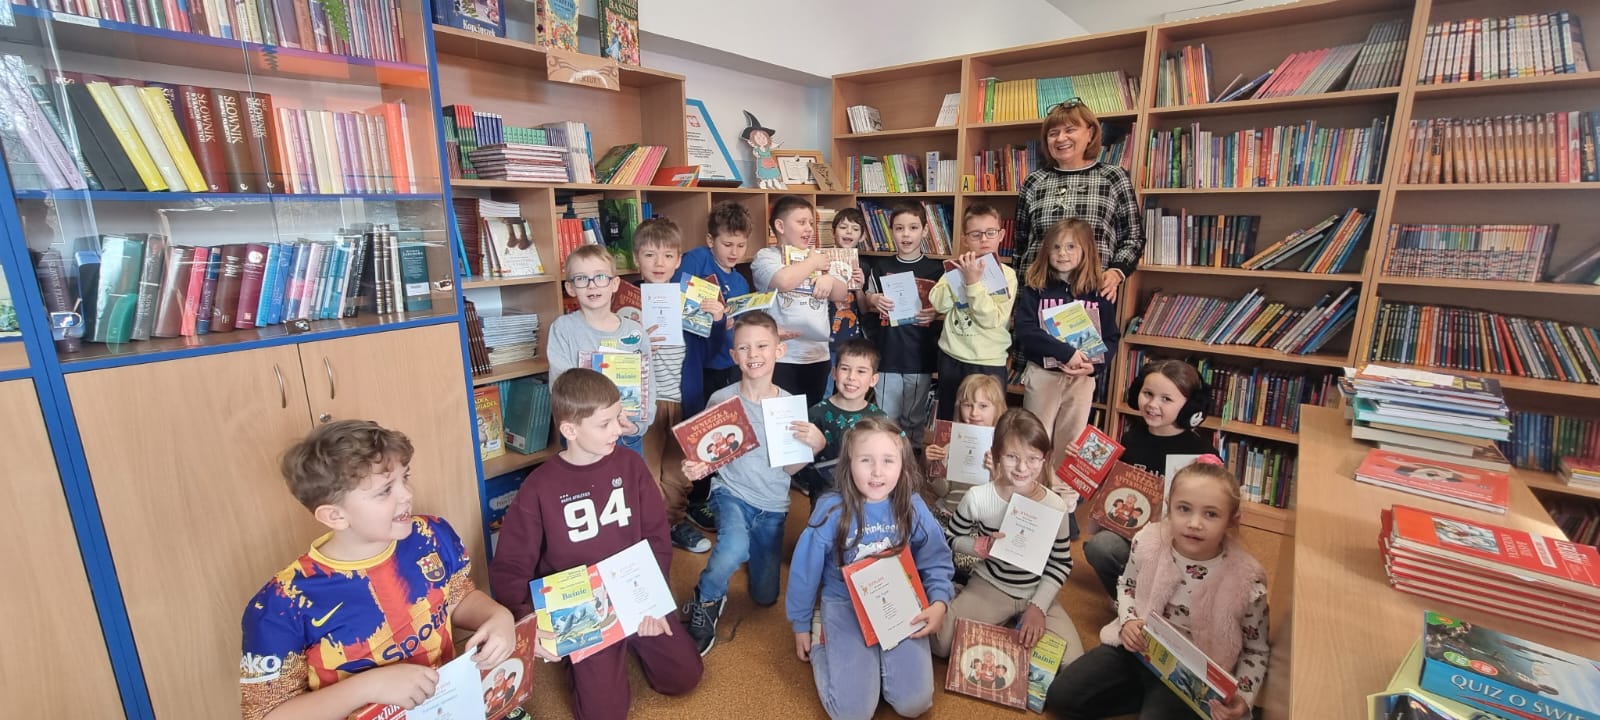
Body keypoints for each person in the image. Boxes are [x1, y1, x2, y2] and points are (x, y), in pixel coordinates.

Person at [239, 420, 518, 720]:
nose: (406, 494)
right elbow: (267, 715)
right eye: (385, 490)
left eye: (404, 477)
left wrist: (498, 616)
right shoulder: (282, 602)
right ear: (335, 516)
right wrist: (369, 687)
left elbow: (456, 597)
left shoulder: (431, 536)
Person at [489, 369, 703, 720]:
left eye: (618, 417)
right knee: (604, 714)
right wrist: (526, 619)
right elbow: (511, 564)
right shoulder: (539, 486)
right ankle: (580, 660)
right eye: (605, 424)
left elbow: (656, 535)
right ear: (570, 430)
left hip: (634, 590)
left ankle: (623, 643)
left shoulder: (631, 465)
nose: (618, 429)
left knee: (684, 677)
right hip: (580, 606)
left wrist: (652, 596)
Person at [1046, 458, 1269, 720]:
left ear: (1231, 520)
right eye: (1184, 509)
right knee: (1061, 695)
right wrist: (1128, 621)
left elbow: (1257, 649)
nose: (1194, 523)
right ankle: (1145, 697)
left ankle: (1157, 703)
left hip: (1189, 677)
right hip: (1138, 650)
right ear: (1168, 507)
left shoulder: (1246, 579)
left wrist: (1243, 697)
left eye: (1211, 514)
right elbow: (1127, 585)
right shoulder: (1148, 541)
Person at [786, 416, 955, 720]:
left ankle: (874, 668)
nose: (877, 471)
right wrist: (800, 624)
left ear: (903, 465)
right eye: (866, 460)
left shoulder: (912, 505)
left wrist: (939, 601)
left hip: (899, 601)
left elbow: (935, 557)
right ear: (849, 462)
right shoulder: (831, 508)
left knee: (915, 704)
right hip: (844, 603)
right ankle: (824, 641)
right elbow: (804, 570)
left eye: (888, 460)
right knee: (853, 714)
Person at [681, 311, 827, 655]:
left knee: (764, 596)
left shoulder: (789, 406)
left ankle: (746, 550)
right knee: (733, 548)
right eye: (744, 348)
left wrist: (816, 446)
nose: (753, 354)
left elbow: (791, 469)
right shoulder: (722, 400)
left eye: (762, 346)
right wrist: (695, 468)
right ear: (734, 356)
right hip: (730, 493)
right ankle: (706, 598)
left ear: (779, 350)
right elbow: (707, 458)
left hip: (773, 506)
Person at [933, 410, 1085, 670]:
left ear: (1045, 458)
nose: (1022, 468)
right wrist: (978, 545)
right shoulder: (978, 497)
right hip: (990, 585)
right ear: (996, 456)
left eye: (1033, 458)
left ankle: (1008, 622)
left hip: (1036, 589)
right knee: (941, 643)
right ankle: (963, 598)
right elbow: (950, 538)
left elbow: (1060, 562)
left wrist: (1038, 606)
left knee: (1072, 665)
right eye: (1012, 457)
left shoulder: (1055, 505)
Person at [1084, 359, 1217, 598]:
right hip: (1133, 535)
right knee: (1100, 547)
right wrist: (1083, 462)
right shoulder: (1131, 439)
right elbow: (1112, 491)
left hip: (1177, 543)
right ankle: (1126, 599)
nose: (1153, 404)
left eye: (1166, 399)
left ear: (1190, 408)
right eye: (1147, 394)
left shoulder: (1201, 452)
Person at [633, 217, 718, 554]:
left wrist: (718, 321)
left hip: (685, 401)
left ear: (679, 260)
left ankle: (673, 524)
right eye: (650, 255)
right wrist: (635, 340)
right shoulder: (626, 302)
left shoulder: (690, 297)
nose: (659, 263)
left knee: (678, 473)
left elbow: (709, 353)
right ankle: (651, 531)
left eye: (668, 256)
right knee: (647, 472)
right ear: (637, 259)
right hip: (646, 404)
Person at [1014, 218, 1121, 476]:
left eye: (1071, 247)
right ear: (1046, 251)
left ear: (1086, 251)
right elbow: (1026, 330)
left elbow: (1111, 338)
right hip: (1043, 376)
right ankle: (1031, 485)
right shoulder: (1036, 288)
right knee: (1035, 437)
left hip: (1081, 380)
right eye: (1056, 247)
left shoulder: (1099, 293)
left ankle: (1064, 492)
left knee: (1071, 440)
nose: (1062, 253)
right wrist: (1067, 353)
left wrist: (1093, 367)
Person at [1013, 99, 1144, 304]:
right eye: (1053, 133)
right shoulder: (1034, 181)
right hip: (1038, 294)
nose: (1060, 138)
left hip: (1091, 293)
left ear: (1090, 133)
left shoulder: (1113, 177)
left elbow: (1133, 238)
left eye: (1070, 130)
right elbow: (1020, 245)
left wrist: (1116, 272)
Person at [547, 244, 656, 455]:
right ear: (570, 288)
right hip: (583, 436)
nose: (592, 285)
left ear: (615, 284)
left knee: (629, 477)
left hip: (625, 433)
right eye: (581, 278)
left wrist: (637, 427)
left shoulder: (636, 332)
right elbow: (560, 387)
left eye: (600, 277)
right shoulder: (563, 329)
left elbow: (648, 387)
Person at [753, 195, 850, 406]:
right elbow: (784, 281)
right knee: (781, 413)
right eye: (801, 222)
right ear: (780, 226)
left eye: (811, 223)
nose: (809, 229)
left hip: (817, 355)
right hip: (781, 356)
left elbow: (841, 293)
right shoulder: (766, 256)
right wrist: (812, 263)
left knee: (812, 414)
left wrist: (829, 279)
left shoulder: (820, 257)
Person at [861, 204, 943, 449]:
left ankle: (912, 457)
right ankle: (888, 454)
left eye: (913, 228)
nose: (906, 234)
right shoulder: (880, 267)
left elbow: (946, 307)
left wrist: (936, 312)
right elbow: (868, 297)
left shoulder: (937, 270)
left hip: (920, 356)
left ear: (925, 231)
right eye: (899, 228)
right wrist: (873, 299)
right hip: (888, 354)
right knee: (887, 415)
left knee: (913, 417)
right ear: (891, 232)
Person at [930, 202, 1017, 421]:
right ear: (965, 239)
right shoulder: (955, 268)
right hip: (952, 356)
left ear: (1001, 235)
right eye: (976, 234)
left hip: (988, 361)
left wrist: (973, 284)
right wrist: (959, 277)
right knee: (950, 418)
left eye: (990, 233)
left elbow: (992, 319)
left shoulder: (1007, 275)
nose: (984, 240)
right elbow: (938, 304)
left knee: (984, 422)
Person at [923, 373, 1006, 582]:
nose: (974, 413)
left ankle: (954, 574)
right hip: (947, 515)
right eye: (967, 405)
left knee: (969, 562)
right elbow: (942, 491)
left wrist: (996, 475)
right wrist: (933, 465)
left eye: (983, 406)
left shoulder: (1005, 448)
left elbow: (1008, 499)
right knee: (923, 546)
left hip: (981, 524)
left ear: (997, 409)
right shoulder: (952, 442)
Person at [799, 338, 888, 507]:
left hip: (865, 501)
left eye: (861, 371)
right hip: (824, 500)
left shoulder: (880, 419)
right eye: (845, 369)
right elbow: (801, 470)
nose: (851, 377)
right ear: (834, 373)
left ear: (873, 379)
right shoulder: (816, 414)